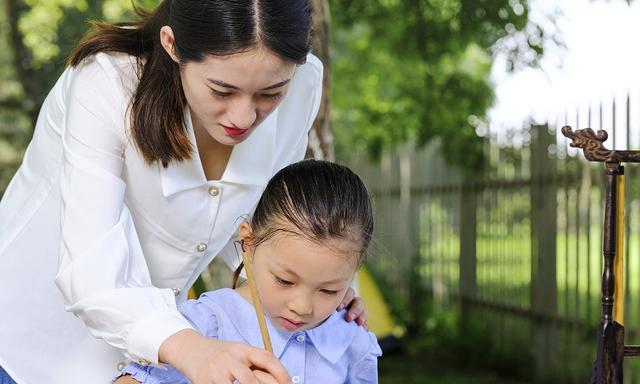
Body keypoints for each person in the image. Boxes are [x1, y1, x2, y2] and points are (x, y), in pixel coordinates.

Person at [0, 1, 366, 383]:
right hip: (24, 345)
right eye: (222, 90)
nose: (243, 117)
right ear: (172, 45)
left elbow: (262, 225)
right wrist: (192, 348)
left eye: (270, 94)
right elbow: (90, 270)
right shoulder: (107, 81)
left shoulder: (303, 86)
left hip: (153, 357)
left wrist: (321, 285)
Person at [113, 160, 381, 384]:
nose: (301, 307)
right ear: (249, 245)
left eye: (328, 290)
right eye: (284, 280)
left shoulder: (353, 341)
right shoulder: (207, 323)